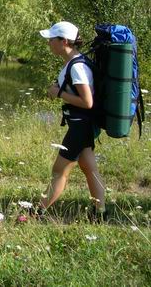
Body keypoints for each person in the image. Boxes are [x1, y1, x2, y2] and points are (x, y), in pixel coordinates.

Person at [39, 22, 106, 220]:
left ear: (64, 41)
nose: (49, 43)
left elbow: (87, 102)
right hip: (81, 124)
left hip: (80, 125)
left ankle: (37, 213)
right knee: (89, 168)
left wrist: (59, 93)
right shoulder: (74, 63)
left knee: (59, 171)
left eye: (52, 39)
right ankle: (100, 213)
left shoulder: (77, 67)